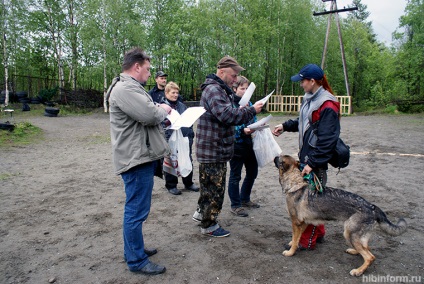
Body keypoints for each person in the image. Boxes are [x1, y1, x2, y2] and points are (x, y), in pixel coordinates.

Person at [106, 47, 172, 275]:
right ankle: (136, 260)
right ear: (136, 67)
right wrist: (162, 108)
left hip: (138, 156)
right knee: (135, 210)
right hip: (135, 159)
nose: (148, 73)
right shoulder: (125, 88)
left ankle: (134, 249)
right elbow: (150, 115)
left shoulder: (130, 87)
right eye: (147, 68)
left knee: (138, 209)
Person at [192, 56, 264, 237]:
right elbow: (227, 116)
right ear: (222, 71)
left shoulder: (218, 90)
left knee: (208, 186)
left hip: (215, 147)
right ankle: (208, 226)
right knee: (214, 189)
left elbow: (226, 113)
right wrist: (251, 111)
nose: (235, 79)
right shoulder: (214, 90)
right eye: (233, 75)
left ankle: (201, 214)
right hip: (213, 149)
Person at [272, 63, 341, 251]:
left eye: (302, 81)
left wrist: (312, 162)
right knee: (314, 200)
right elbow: (304, 123)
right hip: (309, 159)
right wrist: (285, 126)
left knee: (309, 205)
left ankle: (305, 241)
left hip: (315, 161)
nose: (301, 84)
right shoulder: (309, 98)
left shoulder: (328, 104)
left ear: (312, 81)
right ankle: (319, 234)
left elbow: (328, 140)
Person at [227, 76, 260, 218]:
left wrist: (257, 125)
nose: (245, 91)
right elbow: (229, 123)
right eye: (242, 88)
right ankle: (235, 205)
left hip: (249, 144)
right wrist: (242, 130)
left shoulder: (249, 103)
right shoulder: (230, 104)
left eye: (247, 89)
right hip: (236, 145)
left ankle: (245, 198)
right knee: (235, 175)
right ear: (235, 89)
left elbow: (254, 119)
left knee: (252, 172)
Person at [161, 81, 200, 195]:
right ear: (166, 93)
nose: (175, 95)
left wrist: (190, 135)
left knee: (187, 159)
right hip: (170, 138)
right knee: (171, 160)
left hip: (184, 137)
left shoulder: (181, 105)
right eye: (173, 92)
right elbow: (159, 123)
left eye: (177, 93)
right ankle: (171, 185)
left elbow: (189, 120)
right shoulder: (161, 107)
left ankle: (188, 183)